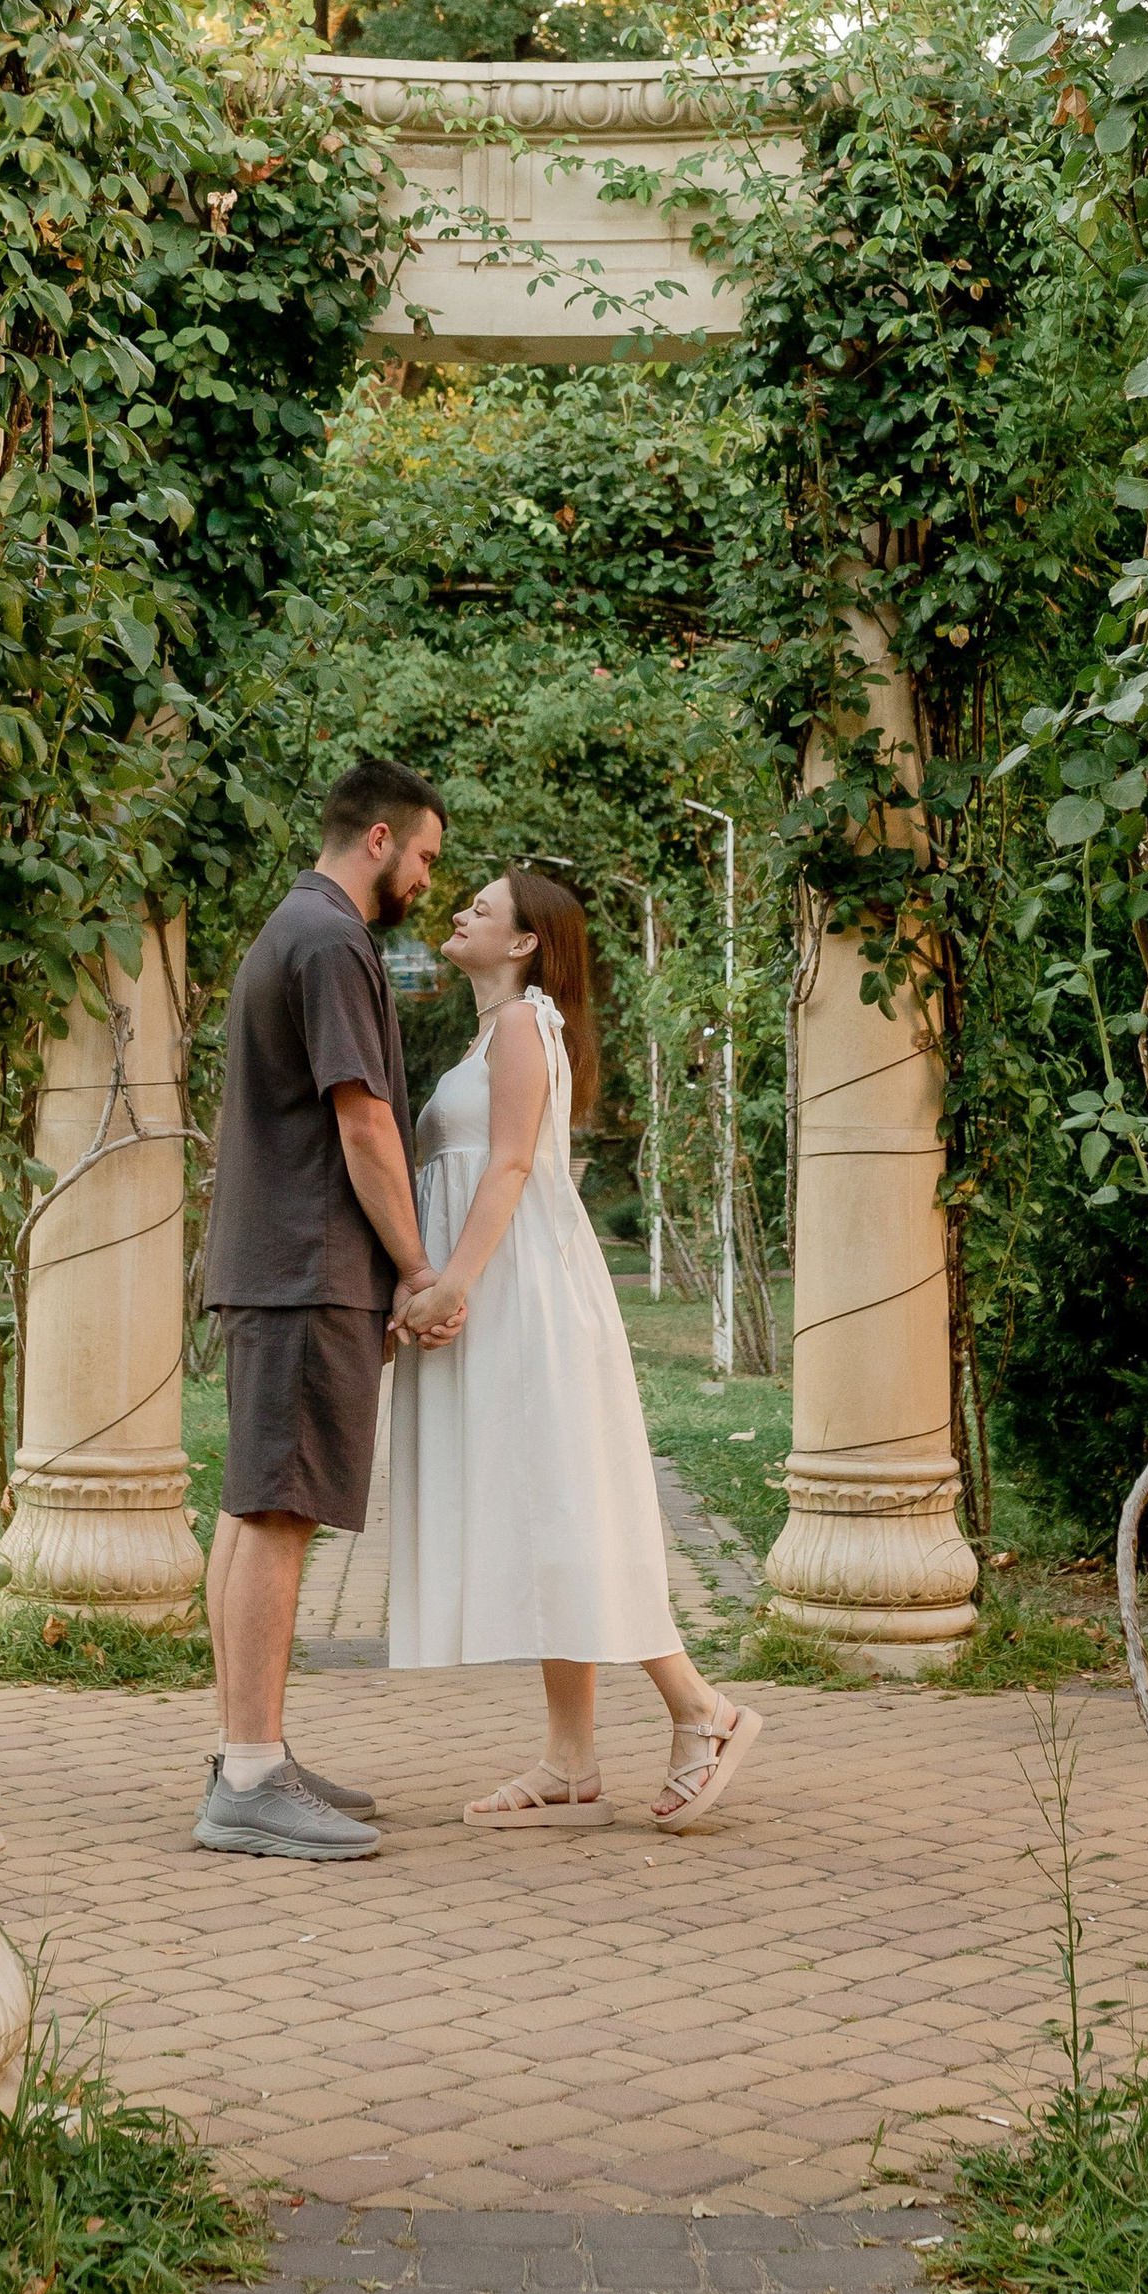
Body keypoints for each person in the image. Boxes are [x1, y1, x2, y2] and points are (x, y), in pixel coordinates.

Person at [387, 864, 761, 1830]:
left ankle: (701, 1711)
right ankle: (570, 1758)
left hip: (521, 1293)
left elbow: (510, 1162)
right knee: (544, 1502)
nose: (459, 910)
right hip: (505, 1286)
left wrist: (453, 1280)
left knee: (567, 1502)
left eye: (481, 906)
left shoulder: (520, 1024)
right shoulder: (493, 1031)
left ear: (522, 943)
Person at [193, 753, 462, 1862]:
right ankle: (250, 1781)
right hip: (307, 1268)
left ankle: (247, 1752)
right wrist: (414, 1266)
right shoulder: (333, 940)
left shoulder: (296, 930)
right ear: (381, 839)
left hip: (277, 1264)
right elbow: (362, 1122)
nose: (433, 885)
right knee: (277, 1512)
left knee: (253, 1505)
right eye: (431, 858)